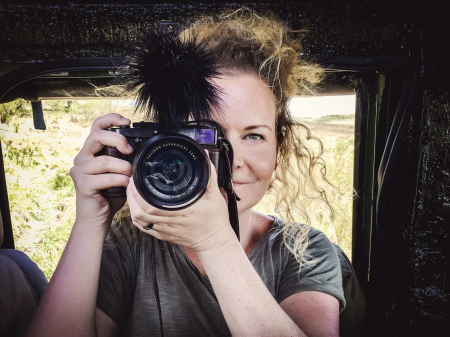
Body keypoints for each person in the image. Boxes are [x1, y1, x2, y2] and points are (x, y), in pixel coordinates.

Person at [27, 10, 345, 337]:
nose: (232, 160)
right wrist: (90, 222)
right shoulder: (130, 245)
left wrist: (214, 241)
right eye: (204, 134)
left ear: (278, 151)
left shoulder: (303, 250)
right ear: (166, 146)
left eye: (254, 136)